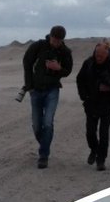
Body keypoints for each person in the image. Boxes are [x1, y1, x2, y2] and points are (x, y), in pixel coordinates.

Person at [22, 25, 73, 170]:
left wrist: (58, 69)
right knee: (37, 125)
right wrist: (29, 85)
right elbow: (27, 63)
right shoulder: (38, 46)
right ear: (50, 36)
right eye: (54, 39)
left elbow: (68, 70)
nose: (56, 42)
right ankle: (44, 143)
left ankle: (43, 155)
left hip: (52, 90)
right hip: (36, 90)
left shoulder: (65, 52)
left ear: (62, 40)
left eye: (59, 41)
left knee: (48, 123)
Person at [76, 41, 110, 172]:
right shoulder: (88, 63)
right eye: (97, 54)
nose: (98, 57)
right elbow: (80, 79)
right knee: (90, 133)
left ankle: (101, 160)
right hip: (91, 103)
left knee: (104, 134)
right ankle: (94, 150)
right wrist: (83, 96)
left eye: (101, 55)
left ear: (107, 54)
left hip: (107, 104)